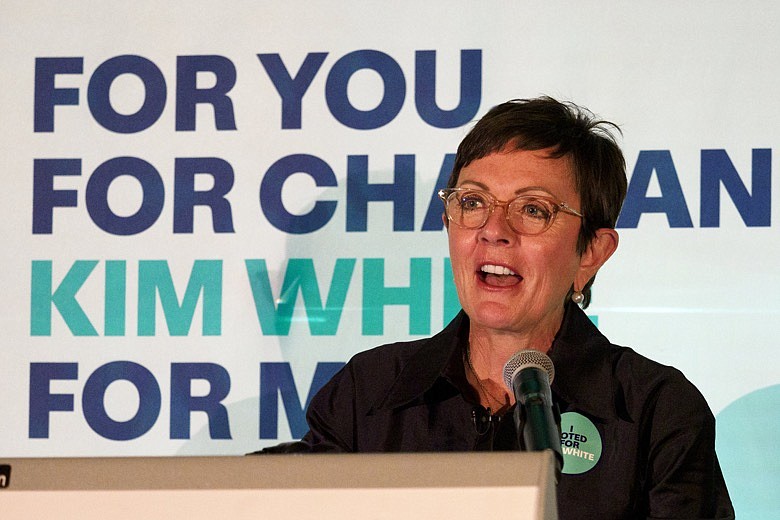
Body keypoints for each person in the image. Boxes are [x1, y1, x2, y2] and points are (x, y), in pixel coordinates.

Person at [256, 97, 735, 519]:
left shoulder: (654, 411)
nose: (493, 229)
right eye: (473, 201)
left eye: (532, 209)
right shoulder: (369, 396)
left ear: (590, 252)